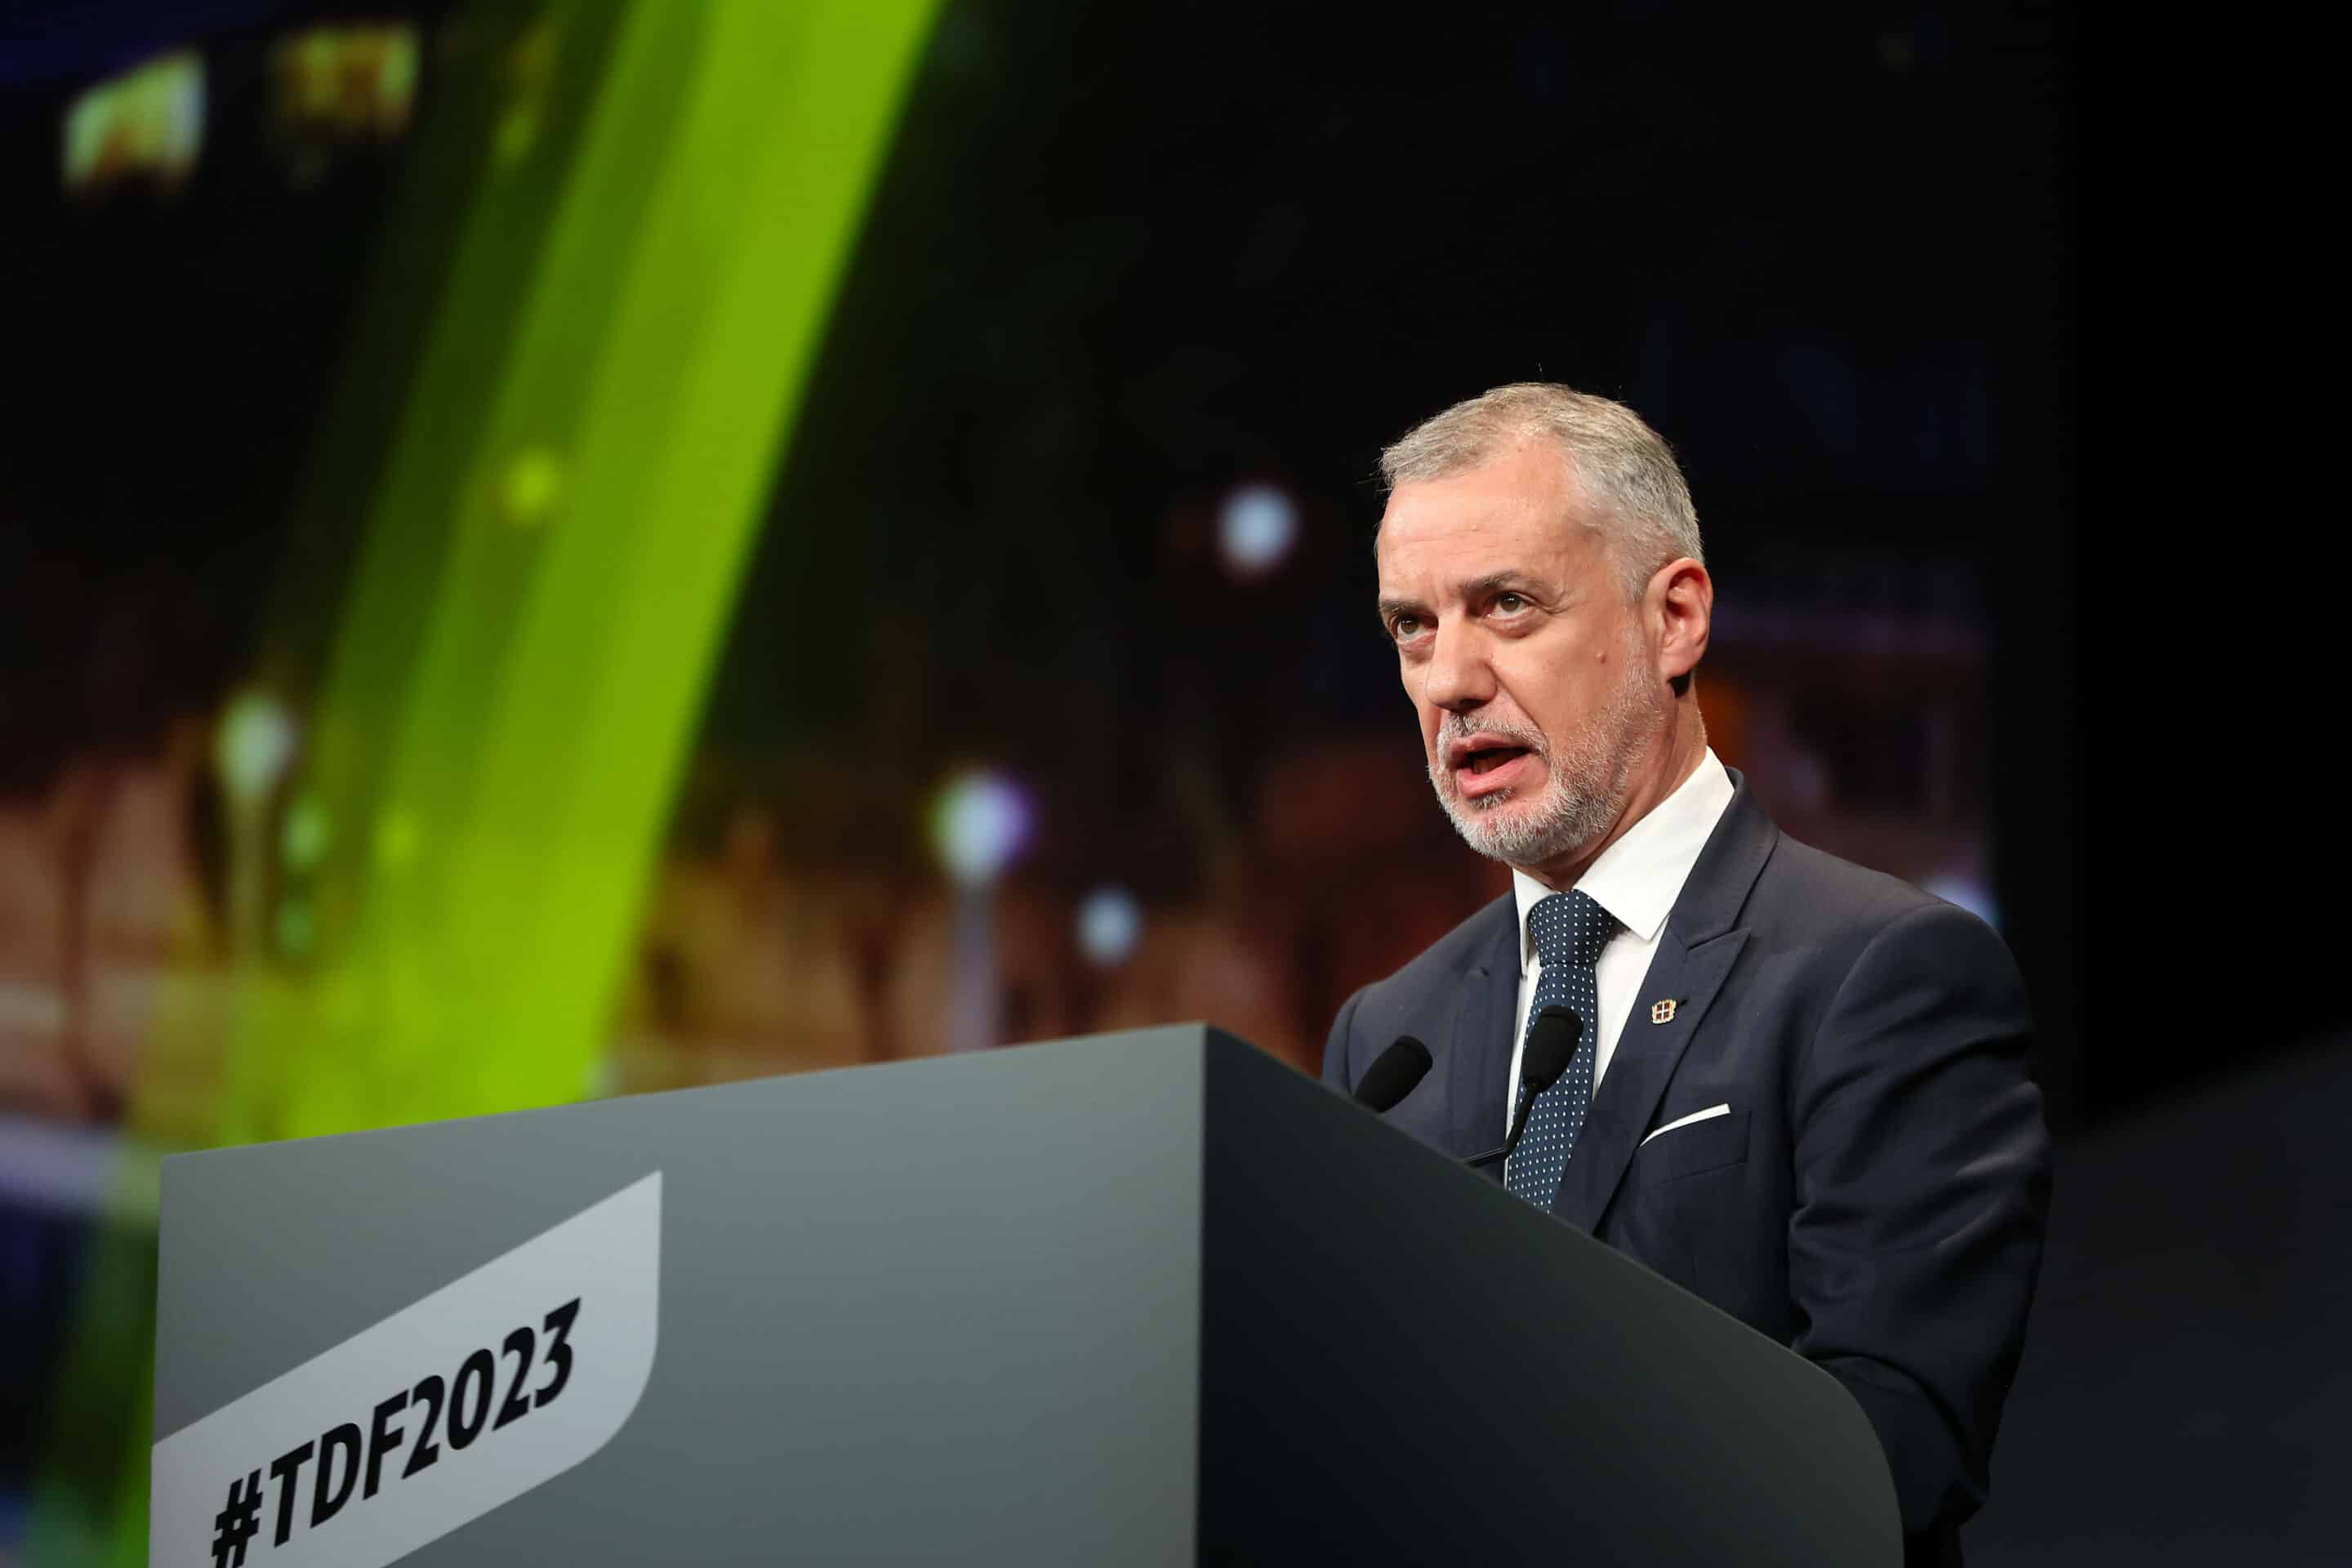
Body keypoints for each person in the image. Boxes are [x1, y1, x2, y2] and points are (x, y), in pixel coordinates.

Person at [1321, 384, 2051, 1568]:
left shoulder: (1884, 974)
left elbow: (1888, 1452)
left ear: (1676, 618)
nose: (1449, 679)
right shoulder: (1387, 1041)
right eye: (1413, 626)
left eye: (1506, 606)